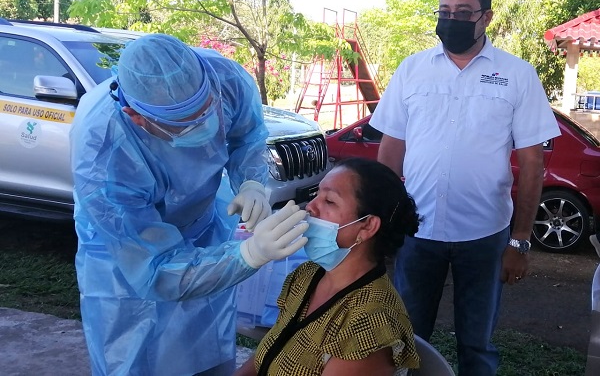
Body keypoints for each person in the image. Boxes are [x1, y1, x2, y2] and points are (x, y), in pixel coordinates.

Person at [70, 33, 309, 376]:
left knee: (206, 345)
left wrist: (251, 182)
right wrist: (249, 255)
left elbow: (248, 136)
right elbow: (154, 270)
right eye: (185, 125)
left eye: (206, 111)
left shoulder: (224, 78)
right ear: (136, 117)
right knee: (133, 355)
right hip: (126, 257)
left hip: (202, 227)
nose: (203, 129)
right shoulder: (103, 151)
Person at [369, 0, 561, 376]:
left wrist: (520, 241)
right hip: (416, 234)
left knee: (477, 345)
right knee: (407, 339)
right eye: (444, 12)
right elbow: (391, 150)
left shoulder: (518, 75)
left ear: (486, 17)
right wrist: (382, 224)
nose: (450, 20)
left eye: (462, 12)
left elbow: (531, 164)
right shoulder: (411, 70)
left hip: (485, 238)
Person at [235, 157, 421, 376]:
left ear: (367, 226)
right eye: (317, 195)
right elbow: (266, 355)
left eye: (330, 201)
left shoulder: (370, 322)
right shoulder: (307, 275)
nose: (311, 207)